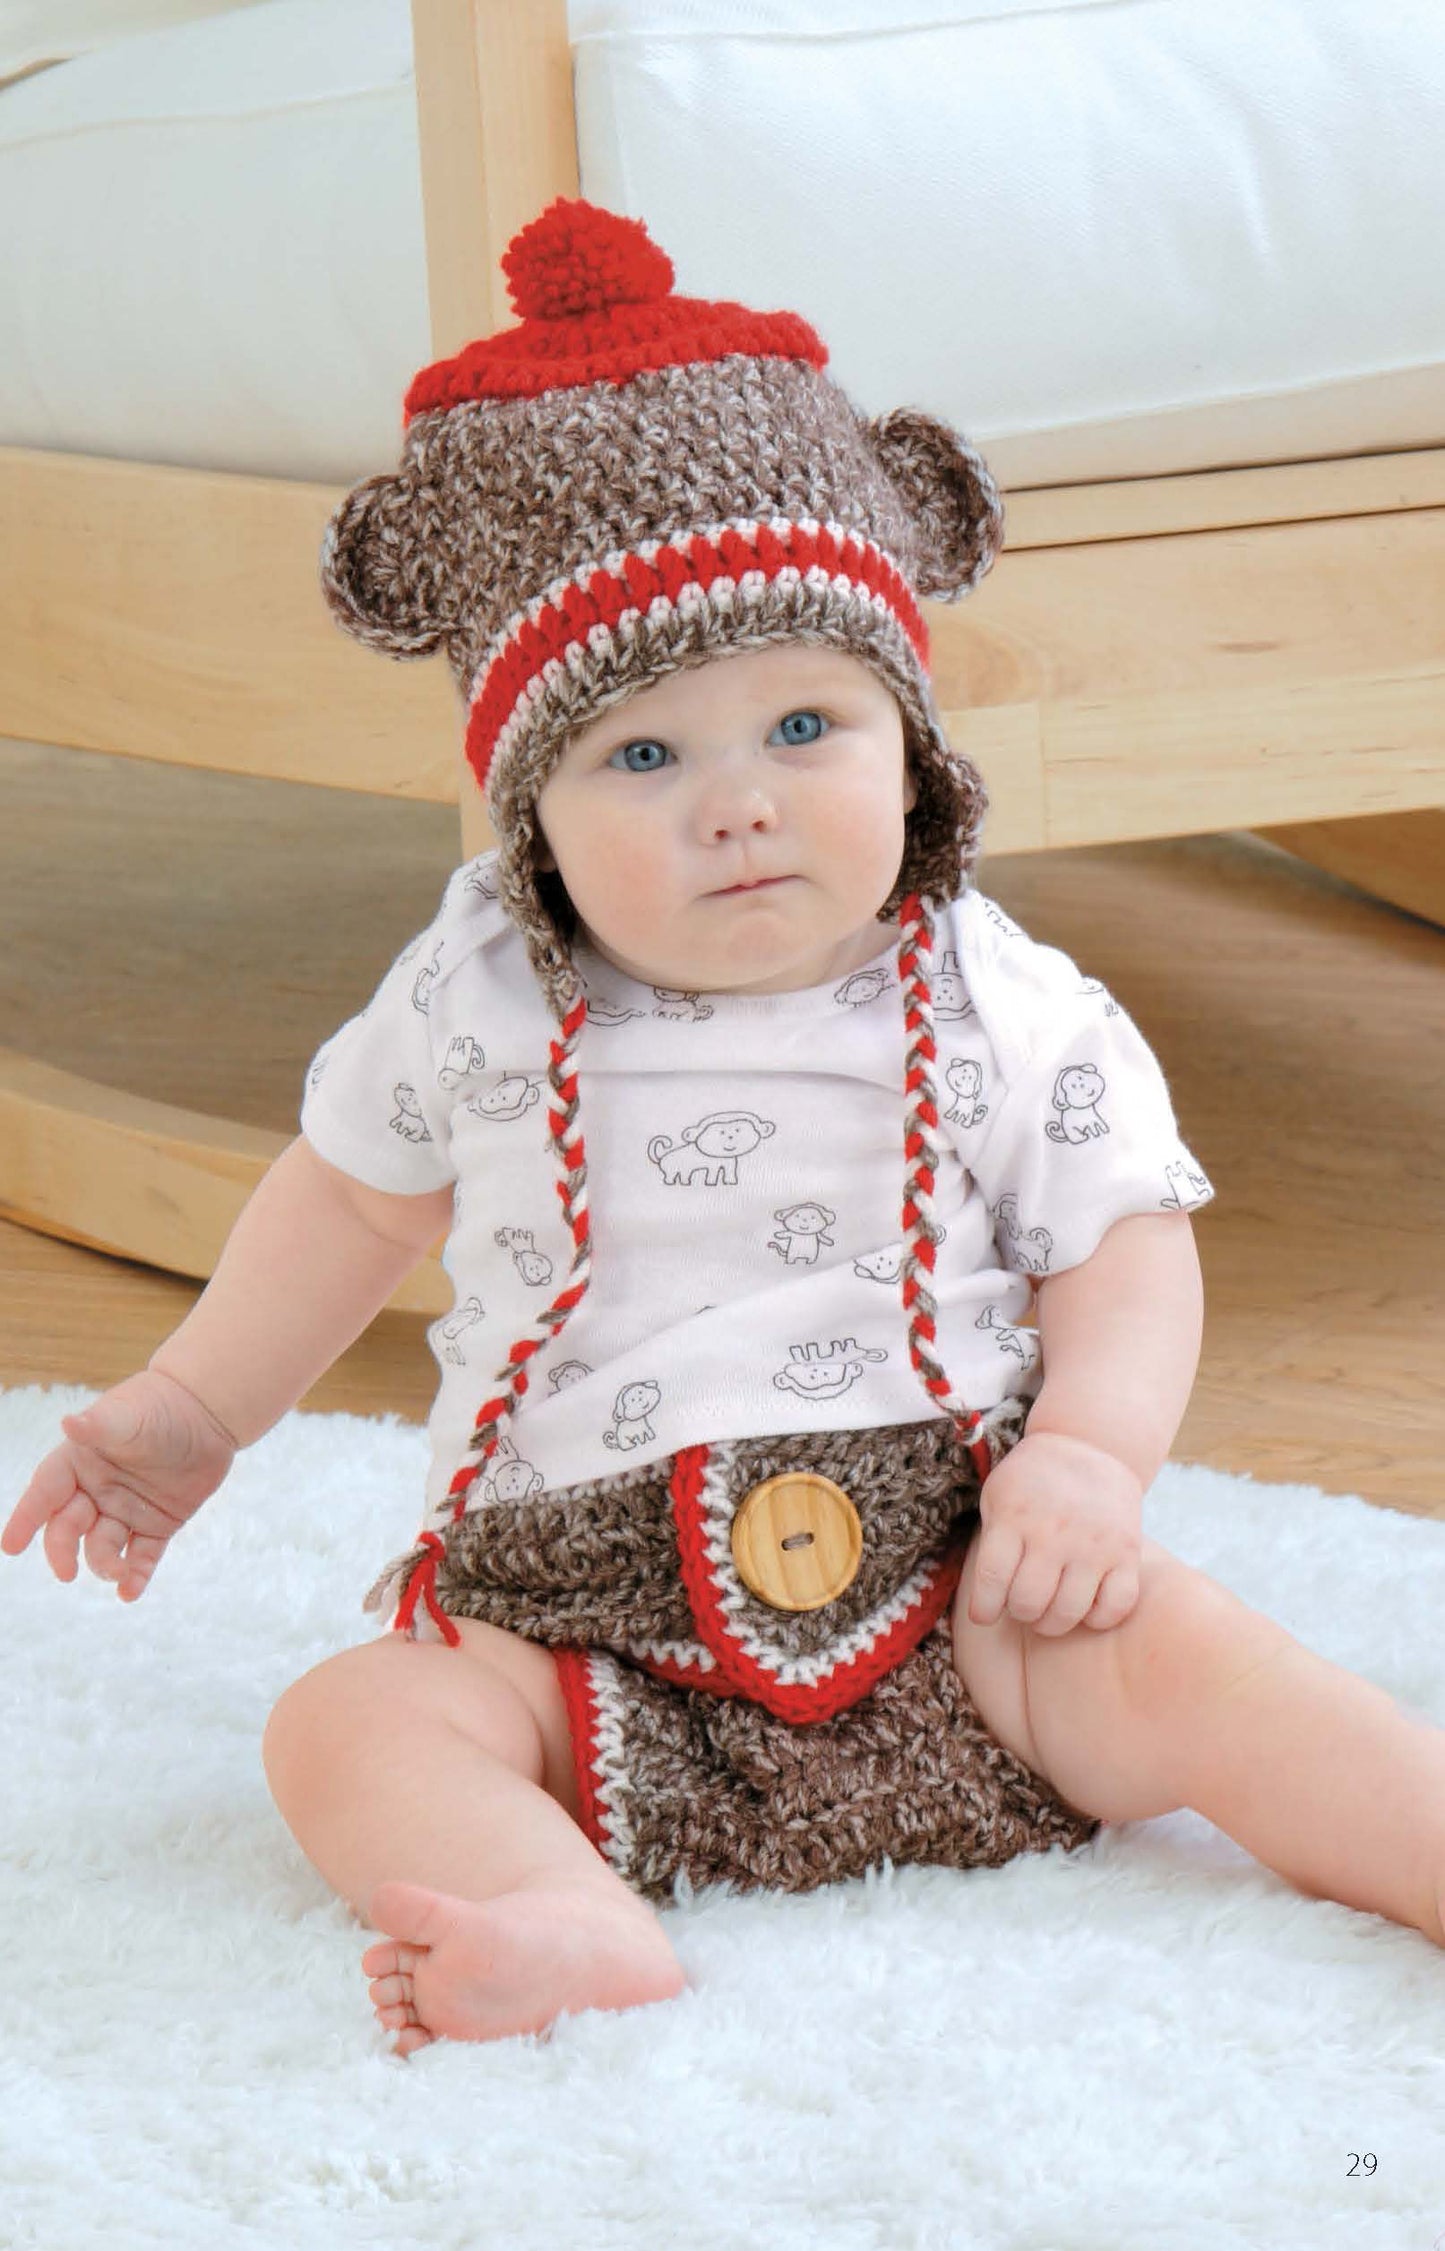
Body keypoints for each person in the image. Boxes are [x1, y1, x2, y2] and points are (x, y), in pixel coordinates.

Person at [6, 199, 1444, 2059]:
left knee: (1198, 1659)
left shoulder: (991, 991)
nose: (739, 809)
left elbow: (1121, 1241)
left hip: (967, 1593)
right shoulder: (477, 996)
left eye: (803, 727)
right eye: (643, 756)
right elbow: (345, 1206)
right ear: (528, 810)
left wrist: (1083, 1464)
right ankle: (555, 1911)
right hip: (587, 1636)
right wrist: (186, 1414)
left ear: (911, 741)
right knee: (355, 1720)